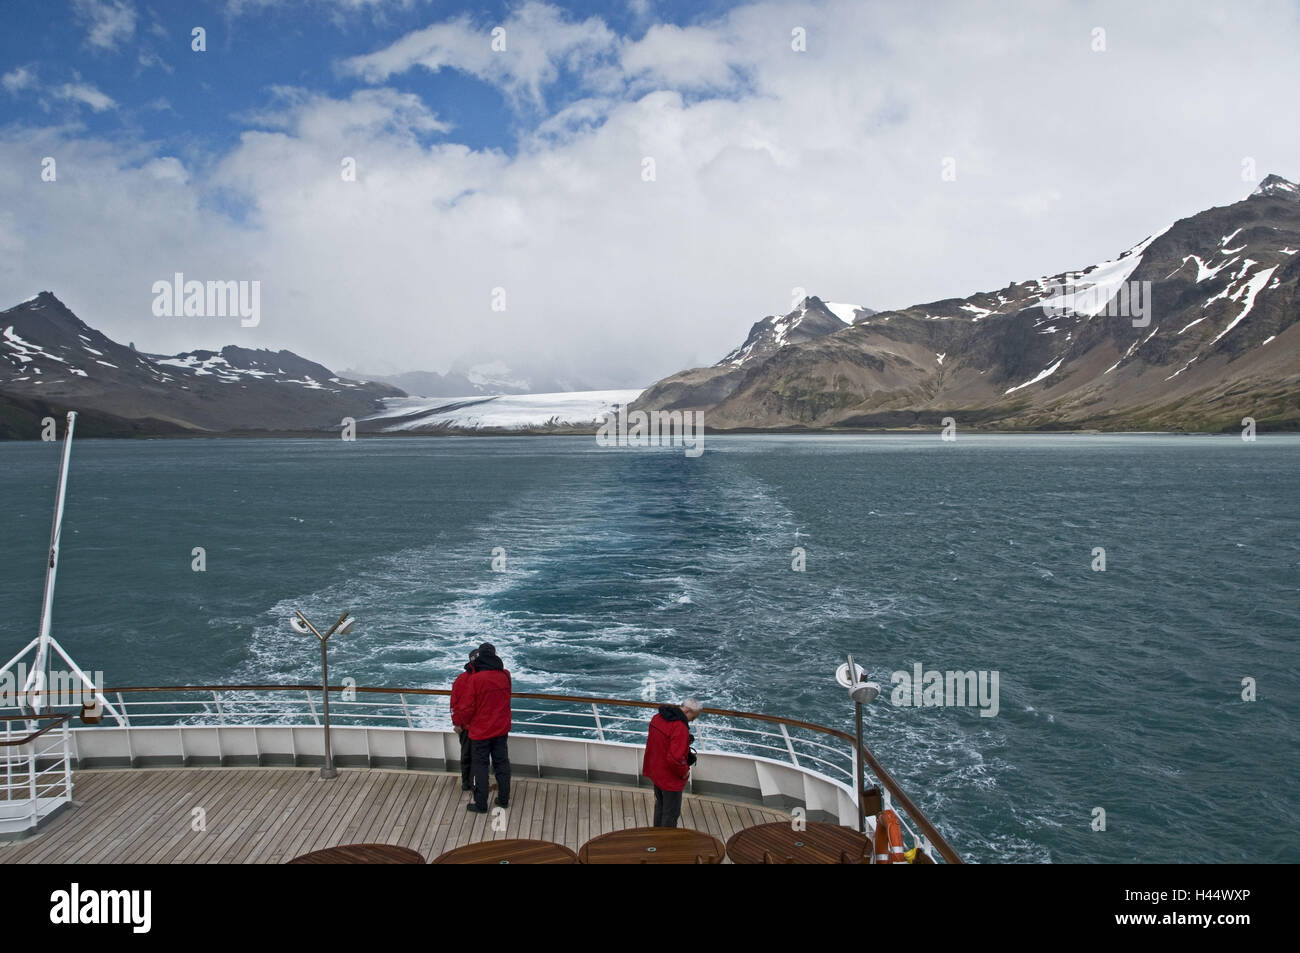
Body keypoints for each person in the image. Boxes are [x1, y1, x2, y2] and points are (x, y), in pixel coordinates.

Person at [453, 642, 512, 814]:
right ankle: (503, 800)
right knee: (502, 764)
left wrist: (458, 722)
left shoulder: (476, 679)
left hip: (481, 731)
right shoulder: (505, 675)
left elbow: (466, 708)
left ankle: (481, 804)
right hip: (501, 728)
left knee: (481, 767)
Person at [643, 698, 702, 828]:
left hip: (655, 770)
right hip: (669, 778)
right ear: (687, 710)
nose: (692, 721)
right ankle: (666, 842)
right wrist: (685, 771)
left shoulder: (658, 717)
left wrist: (685, 741)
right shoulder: (680, 727)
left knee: (660, 805)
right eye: (693, 717)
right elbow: (674, 759)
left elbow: (660, 743)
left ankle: (656, 834)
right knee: (671, 813)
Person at [449, 649, 478, 792]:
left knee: (468, 755)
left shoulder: (461, 679)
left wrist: (457, 723)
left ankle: (469, 782)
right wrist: (456, 723)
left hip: (470, 726)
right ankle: (469, 783)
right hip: (473, 726)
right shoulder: (462, 679)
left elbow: (454, 704)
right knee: (472, 756)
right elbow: (454, 703)